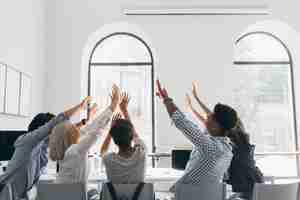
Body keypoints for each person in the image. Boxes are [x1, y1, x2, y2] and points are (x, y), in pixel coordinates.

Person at [0, 97, 92, 200]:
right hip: (5, 195)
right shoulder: (27, 142)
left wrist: (83, 123)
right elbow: (55, 123)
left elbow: (64, 132)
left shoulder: (42, 146)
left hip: (20, 195)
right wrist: (79, 107)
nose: (55, 134)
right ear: (43, 130)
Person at [156, 79, 237, 192]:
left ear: (217, 126)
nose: (207, 117)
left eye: (211, 117)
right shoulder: (227, 151)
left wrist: (166, 100)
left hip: (187, 195)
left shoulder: (211, 147)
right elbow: (194, 127)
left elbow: (183, 123)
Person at [187, 82, 264, 200]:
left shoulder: (227, 142)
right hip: (254, 181)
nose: (209, 119)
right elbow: (208, 119)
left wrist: (196, 100)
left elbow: (209, 117)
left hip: (241, 185)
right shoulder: (241, 138)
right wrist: (194, 103)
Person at [49, 85, 120, 186]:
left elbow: (87, 130)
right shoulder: (75, 151)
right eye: (72, 128)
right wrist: (112, 107)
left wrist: (90, 117)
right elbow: (95, 132)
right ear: (69, 136)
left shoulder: (66, 150)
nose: (76, 128)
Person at [101, 93, 147, 183]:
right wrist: (125, 110)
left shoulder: (109, 160)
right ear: (131, 137)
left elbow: (103, 151)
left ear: (114, 140)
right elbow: (135, 135)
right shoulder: (141, 153)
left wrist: (111, 130)